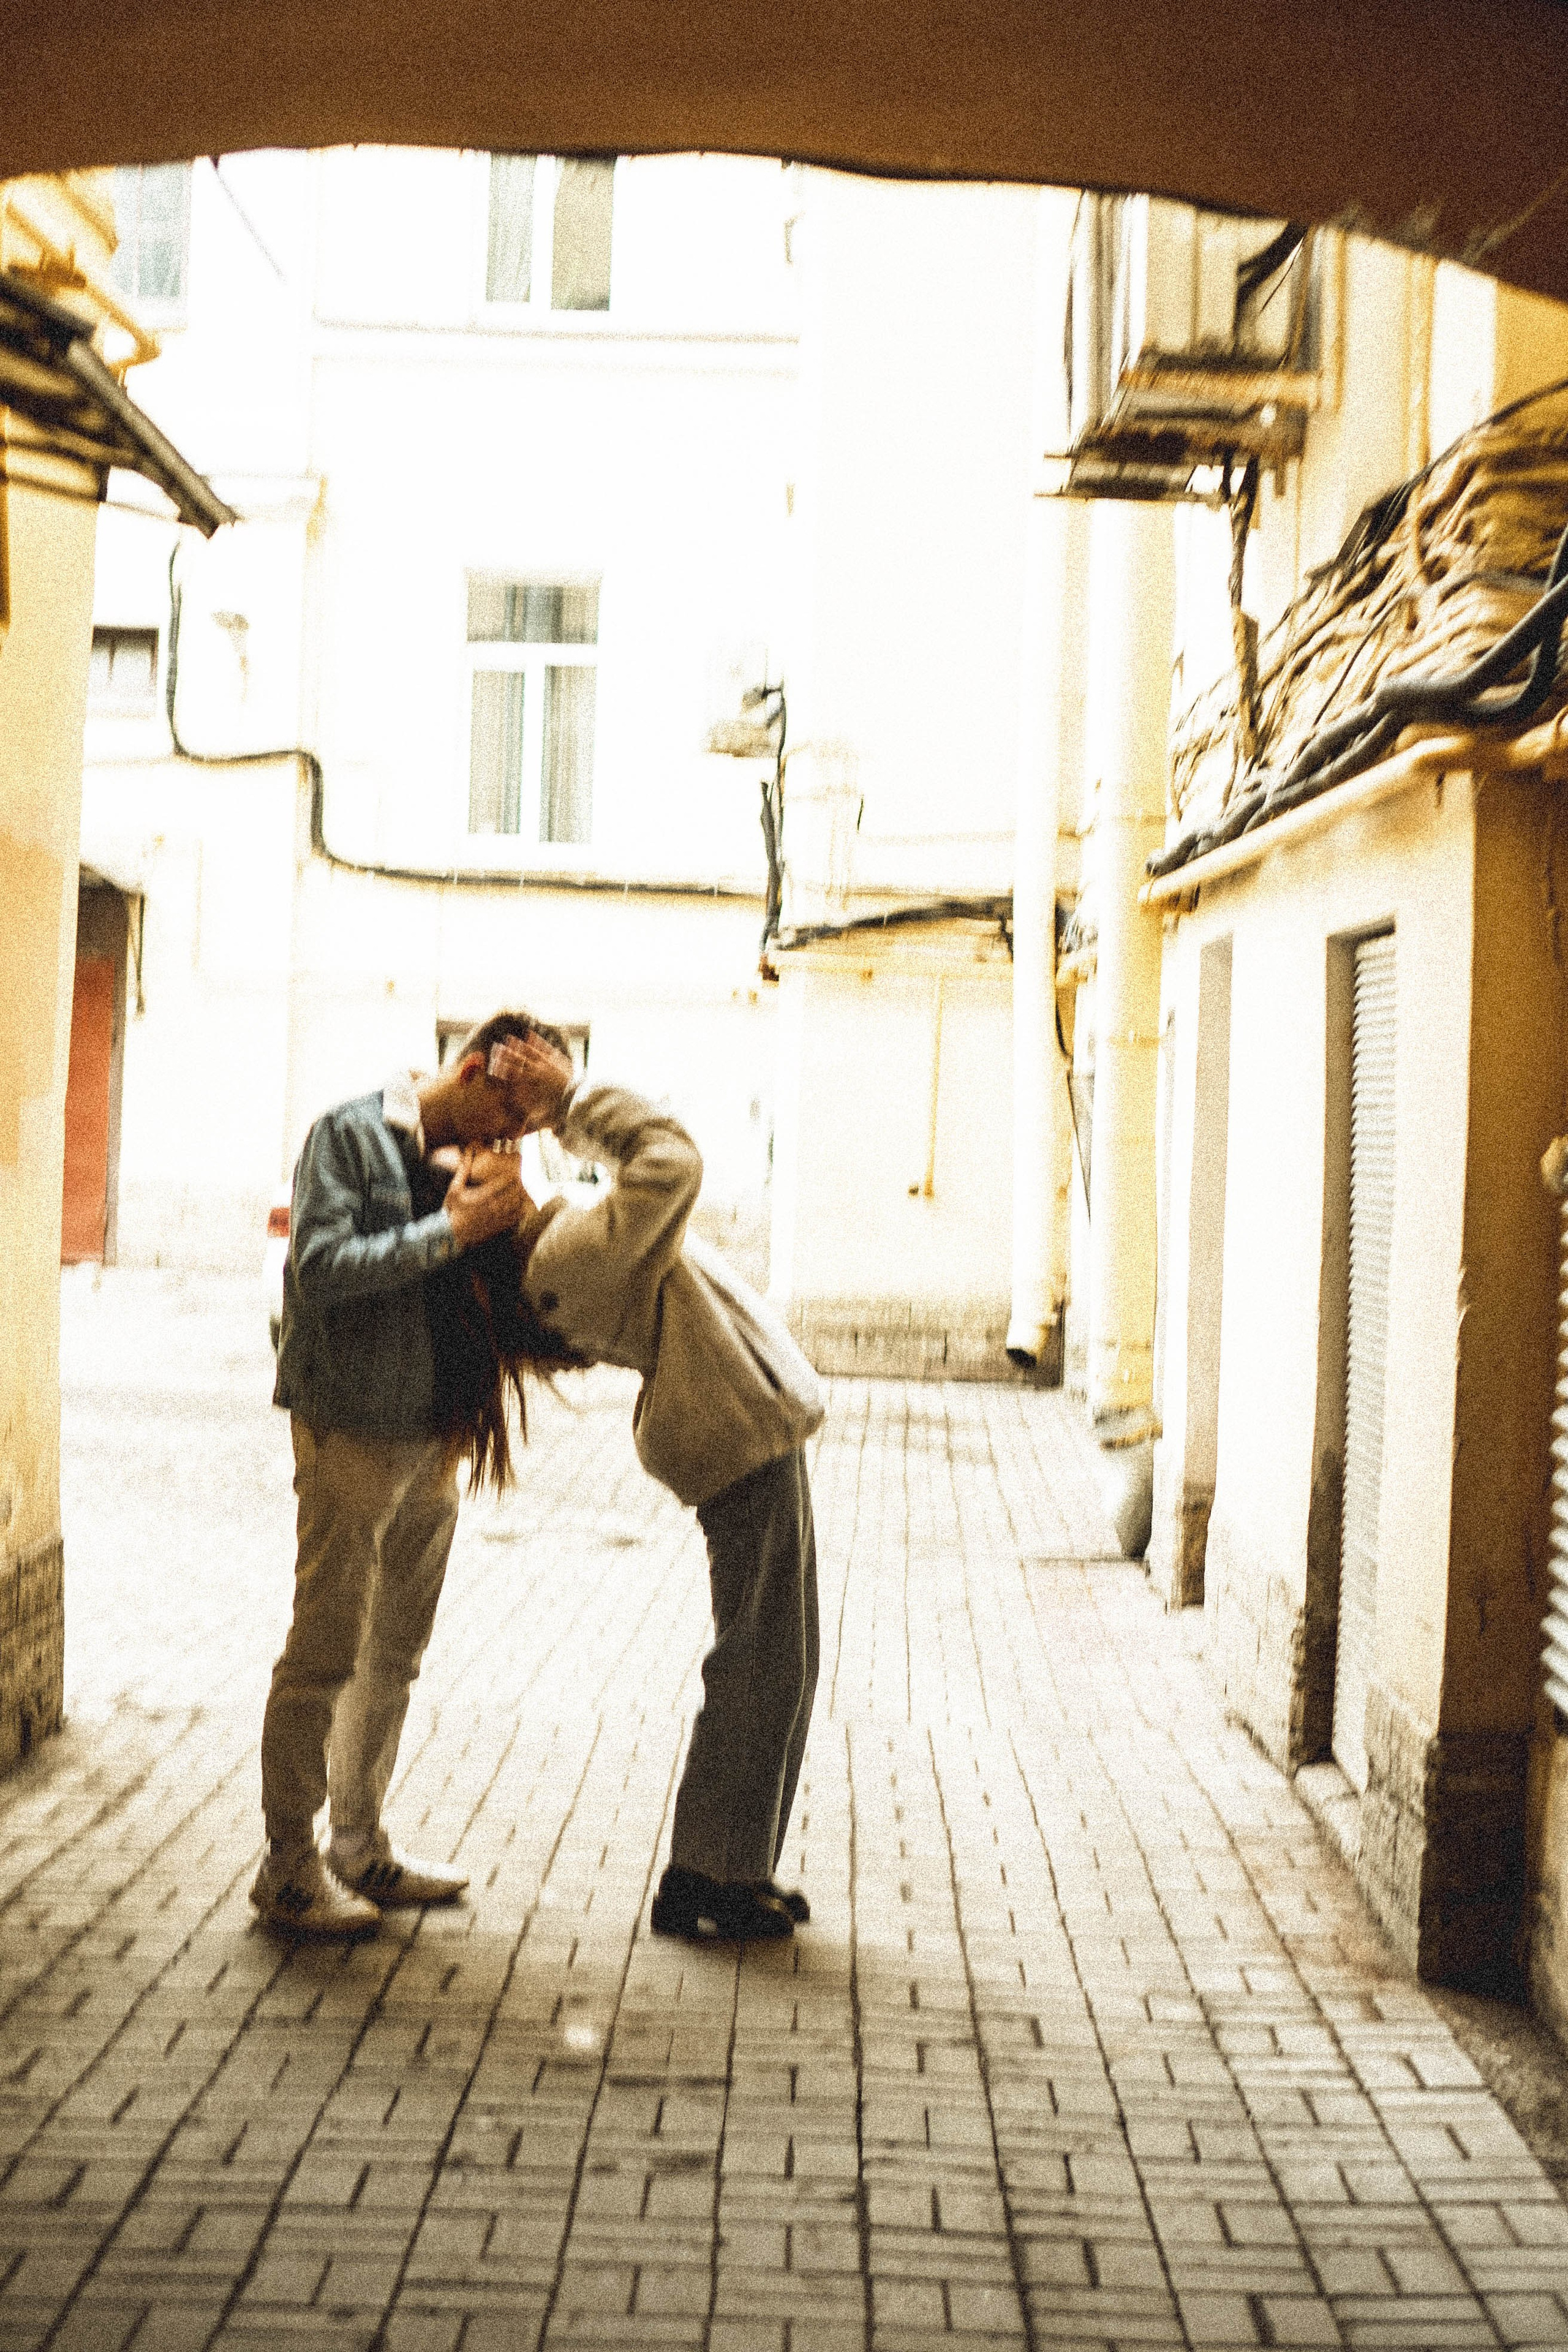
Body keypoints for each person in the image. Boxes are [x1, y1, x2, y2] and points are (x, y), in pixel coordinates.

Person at [477, 1023, 825, 1943]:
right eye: (473, 1163)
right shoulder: (559, 1262)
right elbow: (669, 1159)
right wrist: (568, 1101)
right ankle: (703, 1874)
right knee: (758, 1659)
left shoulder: (561, 1240)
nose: (496, 1154)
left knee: (782, 1658)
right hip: (732, 1439)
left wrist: (559, 1112)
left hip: (741, 1431)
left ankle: (736, 1865)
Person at [252, 1028, 530, 1937]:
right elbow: (324, 1270)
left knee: (394, 1653)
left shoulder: (473, 1167)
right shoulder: (351, 1134)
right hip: (353, 1426)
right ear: (472, 1068)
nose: (514, 1135)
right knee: (326, 1644)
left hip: (434, 1437)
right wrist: (451, 1228)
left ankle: (358, 1842)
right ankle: (288, 1866)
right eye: (510, 1109)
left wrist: (497, 1228)